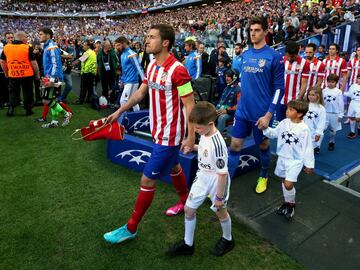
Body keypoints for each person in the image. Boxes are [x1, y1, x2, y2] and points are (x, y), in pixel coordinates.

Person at [103, 24, 195, 244]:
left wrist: (190, 137)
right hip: (157, 129)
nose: (147, 40)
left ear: (165, 43)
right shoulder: (152, 65)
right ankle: (184, 201)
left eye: (152, 37)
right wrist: (119, 111)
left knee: (147, 179)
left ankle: (131, 227)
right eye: (147, 36)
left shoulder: (178, 70)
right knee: (174, 166)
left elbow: (190, 105)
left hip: (171, 135)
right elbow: (140, 94)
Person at [166, 102, 234, 257]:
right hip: (202, 176)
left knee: (220, 211)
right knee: (189, 210)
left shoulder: (218, 144)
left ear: (210, 124)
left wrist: (219, 196)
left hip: (217, 180)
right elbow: (204, 147)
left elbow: (222, 173)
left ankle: (228, 239)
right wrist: (193, 147)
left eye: (197, 128)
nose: (195, 131)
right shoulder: (205, 133)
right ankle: (188, 244)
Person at [227, 16, 284, 194]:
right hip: (243, 112)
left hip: (262, 114)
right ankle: (225, 182)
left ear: (265, 32)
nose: (253, 33)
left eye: (257, 30)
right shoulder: (246, 54)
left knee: (263, 146)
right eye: (251, 30)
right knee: (235, 146)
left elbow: (279, 89)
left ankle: (263, 175)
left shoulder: (274, 56)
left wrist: (269, 114)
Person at [261, 100, 314, 220]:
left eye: (290, 110)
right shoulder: (284, 122)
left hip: (295, 160)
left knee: (289, 184)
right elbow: (274, 133)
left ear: (299, 114)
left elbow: (308, 147)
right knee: (284, 181)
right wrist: (265, 128)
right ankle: (287, 202)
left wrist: (309, 164)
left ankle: (292, 204)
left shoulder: (304, 129)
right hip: (282, 157)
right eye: (287, 109)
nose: (287, 111)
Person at [38, 28, 72, 128]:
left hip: (53, 77)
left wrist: (52, 79)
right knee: (53, 99)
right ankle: (54, 122)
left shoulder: (51, 47)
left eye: (41, 34)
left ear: (48, 35)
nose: (39, 36)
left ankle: (66, 114)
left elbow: (55, 64)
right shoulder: (48, 46)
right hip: (51, 76)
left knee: (46, 100)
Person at [0, 31, 40, 116]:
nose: (27, 38)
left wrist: (6, 72)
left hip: (13, 74)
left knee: (13, 92)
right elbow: (34, 63)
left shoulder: (6, 47)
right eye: (26, 37)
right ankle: (28, 110)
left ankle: (11, 108)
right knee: (28, 92)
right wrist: (37, 74)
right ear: (21, 37)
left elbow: (2, 62)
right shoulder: (27, 47)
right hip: (27, 75)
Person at [277, 41, 310, 121]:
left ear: (297, 53)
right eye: (288, 56)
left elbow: (304, 84)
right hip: (281, 99)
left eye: (292, 57)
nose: (289, 58)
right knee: (280, 124)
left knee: (292, 126)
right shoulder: (281, 60)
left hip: (294, 100)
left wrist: (298, 100)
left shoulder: (305, 64)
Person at [114, 36, 144, 111]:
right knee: (133, 102)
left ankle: (124, 120)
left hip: (132, 81)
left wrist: (144, 81)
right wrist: (122, 81)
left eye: (118, 45)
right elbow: (124, 70)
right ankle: (138, 118)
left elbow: (139, 67)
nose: (117, 47)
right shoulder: (122, 55)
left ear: (123, 43)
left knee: (123, 100)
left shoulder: (132, 54)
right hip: (127, 81)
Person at [216, 69, 241, 134]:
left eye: (228, 76)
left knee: (222, 118)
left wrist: (227, 110)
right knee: (210, 113)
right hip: (222, 110)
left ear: (234, 77)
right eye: (226, 76)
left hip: (232, 113)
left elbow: (238, 106)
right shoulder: (226, 88)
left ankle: (219, 137)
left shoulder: (238, 90)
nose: (226, 78)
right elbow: (220, 102)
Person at [323, 74, 344, 151]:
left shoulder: (338, 92)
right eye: (329, 82)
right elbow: (321, 102)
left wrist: (340, 115)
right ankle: (317, 146)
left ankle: (332, 141)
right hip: (325, 113)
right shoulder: (323, 91)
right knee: (322, 129)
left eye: (332, 82)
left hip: (334, 114)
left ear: (336, 82)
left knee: (333, 129)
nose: (330, 84)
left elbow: (341, 104)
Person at [304, 86, 326, 154]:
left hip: (313, 132)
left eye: (313, 95)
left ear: (318, 96)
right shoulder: (304, 105)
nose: (310, 96)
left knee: (309, 151)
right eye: (309, 94)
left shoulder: (321, 108)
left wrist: (318, 133)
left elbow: (321, 122)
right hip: (303, 130)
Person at [74, 40, 97, 105]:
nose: (83, 46)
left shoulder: (88, 53)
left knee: (83, 87)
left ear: (88, 46)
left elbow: (80, 60)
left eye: (84, 45)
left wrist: (72, 64)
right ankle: (88, 100)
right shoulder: (92, 52)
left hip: (86, 72)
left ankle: (81, 100)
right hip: (92, 72)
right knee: (90, 87)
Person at [344, 74, 360, 138]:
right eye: (359, 78)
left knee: (358, 119)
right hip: (353, 103)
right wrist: (342, 92)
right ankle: (352, 132)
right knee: (352, 117)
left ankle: (359, 128)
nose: (359, 80)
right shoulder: (353, 86)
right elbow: (350, 94)